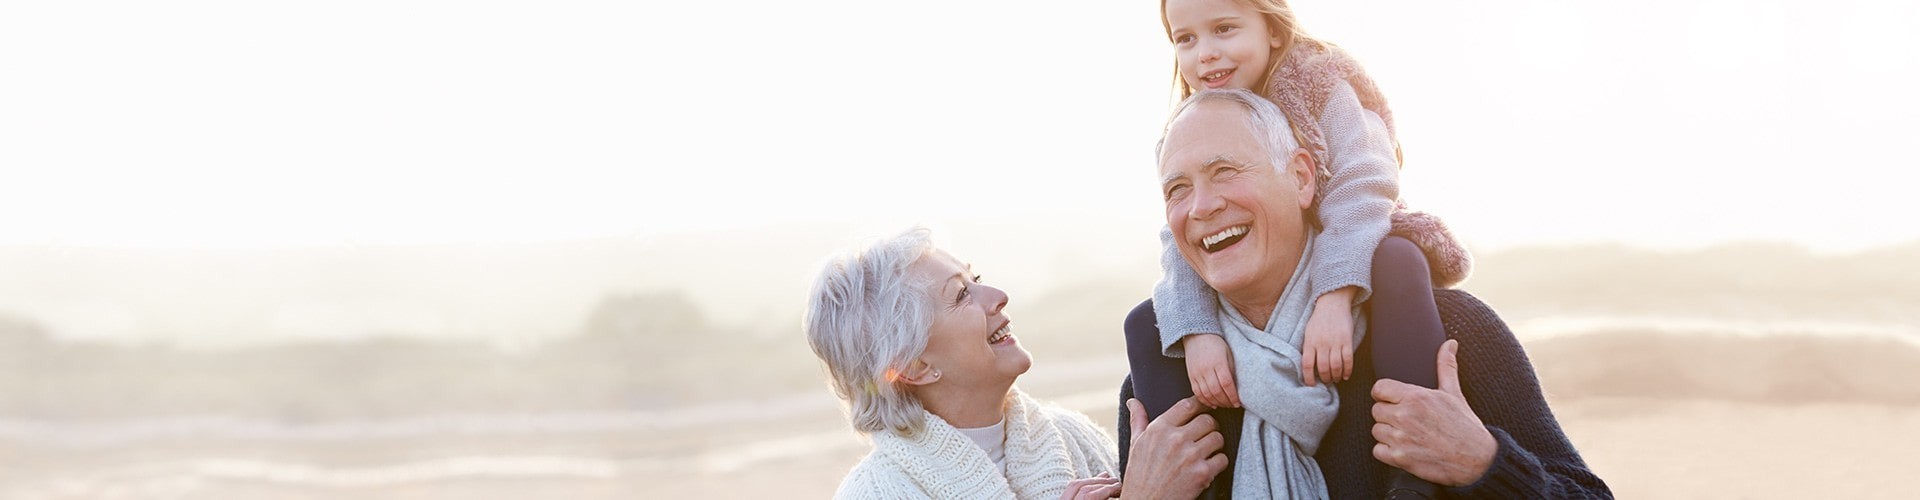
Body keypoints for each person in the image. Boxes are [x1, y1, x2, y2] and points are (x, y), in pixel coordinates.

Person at [1123, 89, 1610, 498]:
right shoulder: (1162, 386)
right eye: (1178, 189)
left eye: (1225, 171)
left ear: (1301, 177)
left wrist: (1484, 463)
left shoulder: (1449, 333)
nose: (1203, 206)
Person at [804, 228, 1231, 499]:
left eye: (977, 278)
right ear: (914, 366)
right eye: (960, 295)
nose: (996, 295)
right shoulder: (876, 493)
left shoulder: (1073, 436)